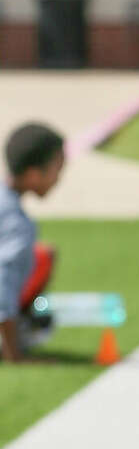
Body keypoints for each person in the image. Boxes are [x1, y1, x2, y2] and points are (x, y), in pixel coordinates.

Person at [1, 121, 65, 365]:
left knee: (43, 254)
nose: (59, 178)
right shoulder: (16, 223)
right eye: (57, 169)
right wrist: (14, 355)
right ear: (33, 174)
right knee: (42, 326)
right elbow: (2, 285)